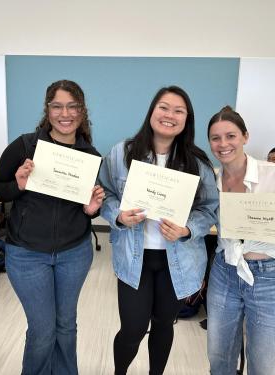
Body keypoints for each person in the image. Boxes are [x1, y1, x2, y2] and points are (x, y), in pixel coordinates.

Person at [99, 86, 218, 375]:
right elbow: (105, 193)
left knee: (164, 323)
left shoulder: (197, 162)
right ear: (152, 111)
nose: (170, 115)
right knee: (133, 327)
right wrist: (119, 216)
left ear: (186, 119)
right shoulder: (122, 152)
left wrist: (187, 229)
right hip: (134, 259)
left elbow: (209, 208)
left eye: (179, 111)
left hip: (178, 260)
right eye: (164, 107)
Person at [0, 80, 104, 375]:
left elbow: (89, 207)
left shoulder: (90, 155)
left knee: (66, 325)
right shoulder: (25, 146)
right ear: (48, 110)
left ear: (81, 111)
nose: (64, 113)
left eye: (72, 106)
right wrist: (18, 184)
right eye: (57, 106)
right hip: (27, 254)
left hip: (74, 253)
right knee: (42, 329)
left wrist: (93, 210)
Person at [206, 106, 275, 375]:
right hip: (224, 271)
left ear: (245, 136)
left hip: (270, 276)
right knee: (219, 360)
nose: (223, 144)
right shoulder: (212, 180)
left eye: (230, 136)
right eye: (215, 138)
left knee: (264, 367)